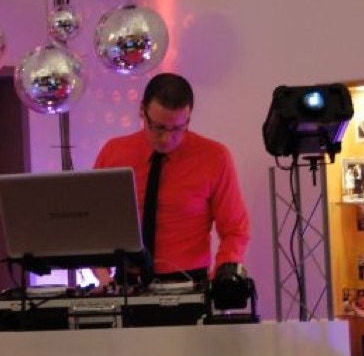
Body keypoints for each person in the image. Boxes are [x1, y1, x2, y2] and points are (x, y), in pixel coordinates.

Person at [91, 72, 250, 287]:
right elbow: (95, 222)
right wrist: (102, 275)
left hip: (189, 281)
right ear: (142, 111)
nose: (167, 138)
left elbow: (234, 230)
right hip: (127, 282)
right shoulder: (114, 153)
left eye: (177, 129)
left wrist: (223, 275)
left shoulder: (214, 157)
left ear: (188, 119)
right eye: (158, 127)